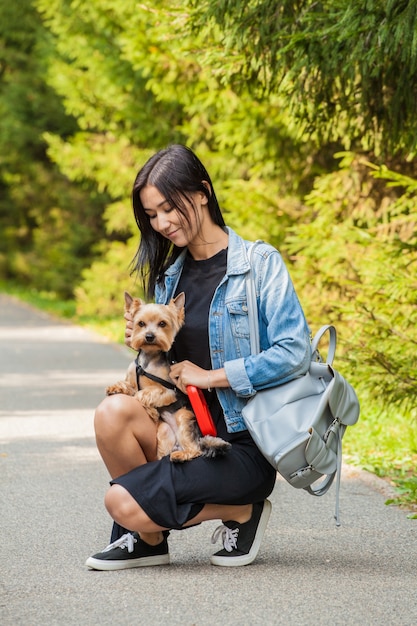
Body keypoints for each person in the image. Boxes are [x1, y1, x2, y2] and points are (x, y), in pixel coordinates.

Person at [85, 144, 311, 570]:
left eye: (170, 207)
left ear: (203, 192)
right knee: (110, 413)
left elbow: (294, 351)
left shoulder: (259, 264)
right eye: (152, 215)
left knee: (120, 501)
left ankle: (242, 509)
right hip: (184, 429)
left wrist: (212, 377)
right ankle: (149, 535)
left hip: (240, 444)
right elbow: (163, 368)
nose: (162, 223)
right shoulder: (171, 278)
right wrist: (142, 349)